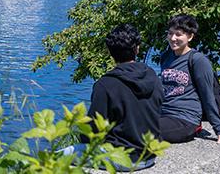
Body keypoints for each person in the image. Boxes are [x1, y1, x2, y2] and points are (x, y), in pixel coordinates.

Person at [61, 23, 163, 172]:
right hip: (150, 155)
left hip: (123, 160)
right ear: (137, 49)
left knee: (55, 156)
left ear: (110, 52)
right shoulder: (152, 75)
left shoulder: (105, 84)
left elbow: (92, 130)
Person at [158, 14, 220, 144]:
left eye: (178, 34)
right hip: (163, 113)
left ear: (190, 36)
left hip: (185, 118)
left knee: (143, 130)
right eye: (170, 33)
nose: (173, 38)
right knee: (129, 121)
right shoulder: (166, 57)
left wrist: (219, 131)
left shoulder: (198, 60)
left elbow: (207, 96)